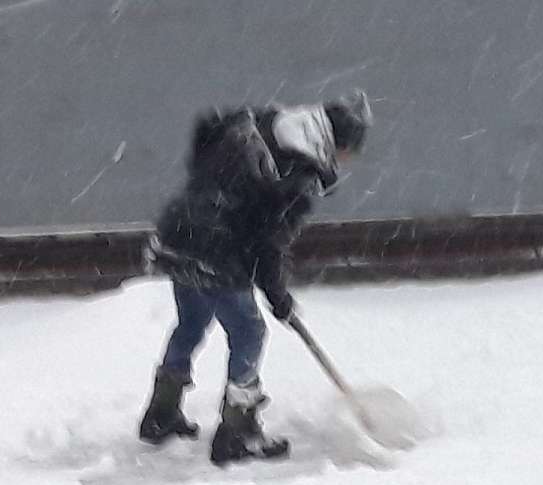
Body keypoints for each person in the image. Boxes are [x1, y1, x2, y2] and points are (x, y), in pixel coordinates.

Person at [139, 89, 374, 465]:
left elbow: (206, 133)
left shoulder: (258, 125)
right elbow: (269, 242)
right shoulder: (297, 173)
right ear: (336, 142)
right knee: (250, 331)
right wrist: (278, 296)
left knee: (192, 321)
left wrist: (216, 201)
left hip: (177, 232)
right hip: (216, 249)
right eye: (351, 151)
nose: (348, 161)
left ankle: (161, 413)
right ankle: (237, 432)